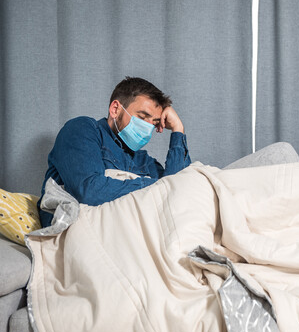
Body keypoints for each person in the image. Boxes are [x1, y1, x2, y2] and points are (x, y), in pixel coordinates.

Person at [38, 77, 191, 227]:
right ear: (115, 109)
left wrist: (178, 129)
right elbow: (89, 191)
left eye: (155, 123)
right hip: (87, 228)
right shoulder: (82, 129)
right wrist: (157, 187)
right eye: (142, 117)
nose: (148, 128)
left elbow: (178, 193)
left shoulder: (144, 160)